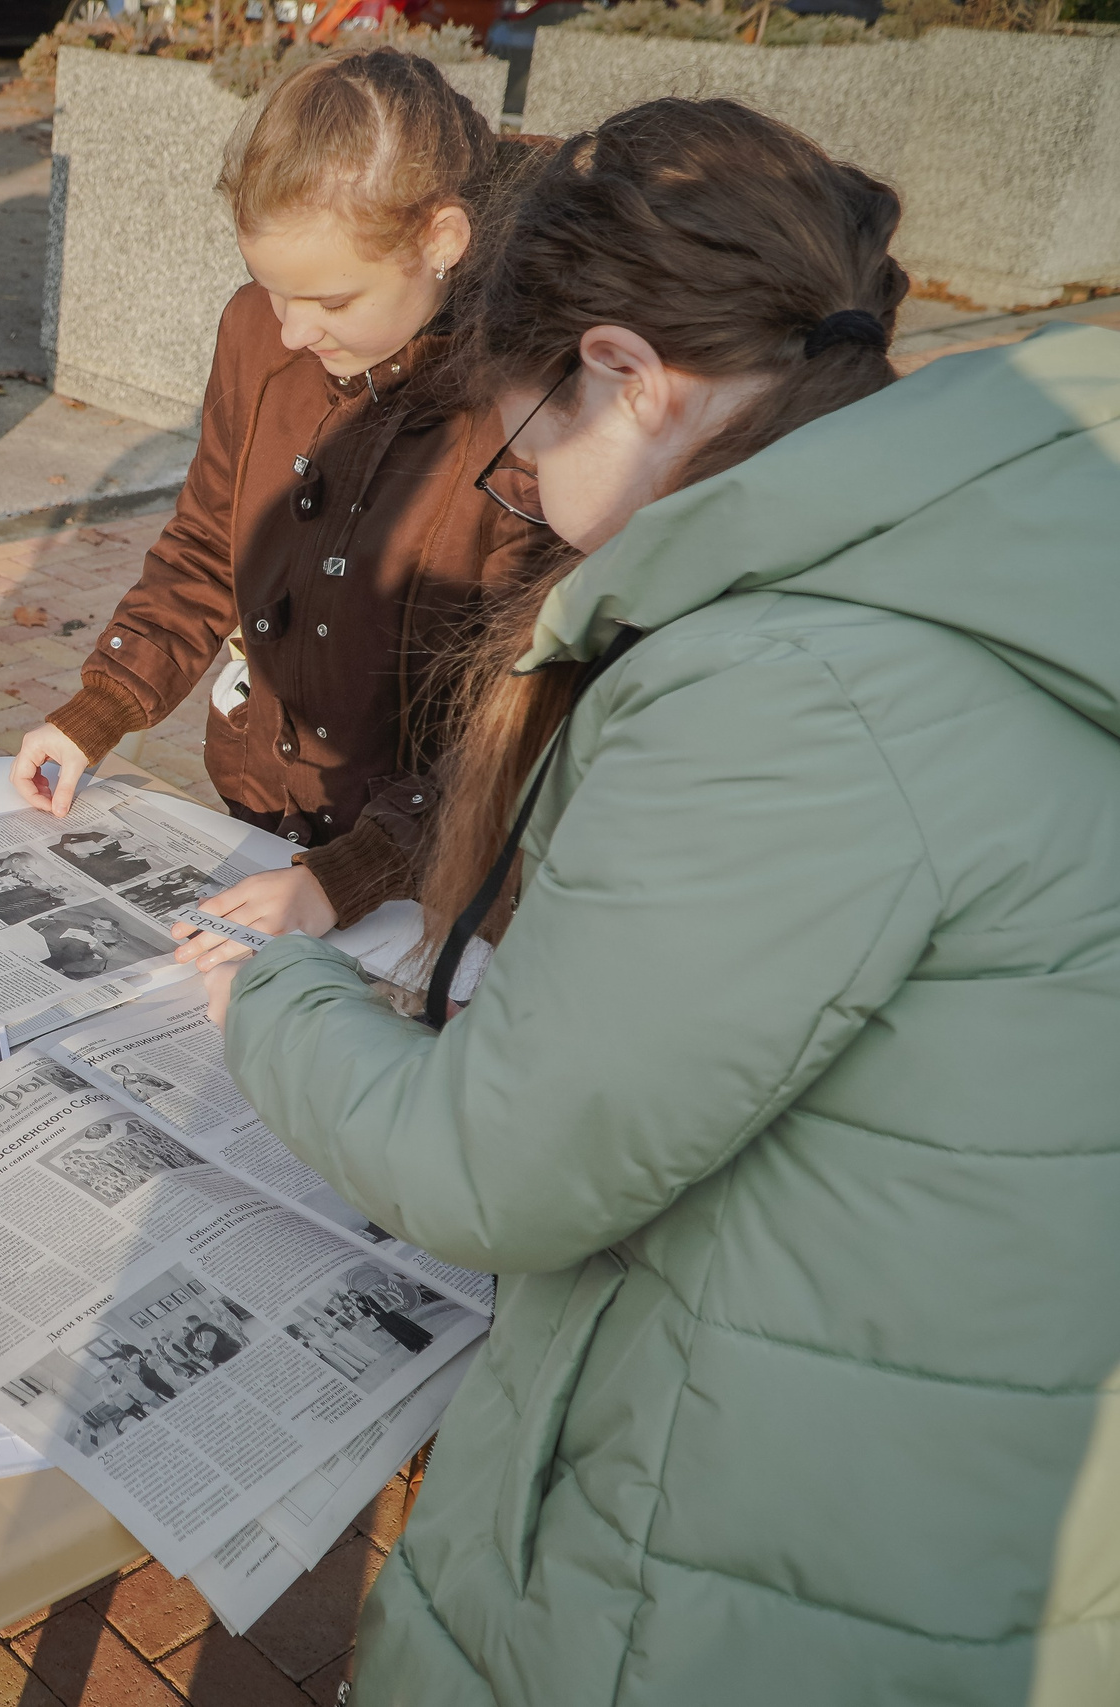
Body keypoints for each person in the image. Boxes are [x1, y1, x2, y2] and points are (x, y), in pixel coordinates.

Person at [209, 98, 1120, 1704]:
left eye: (527, 438)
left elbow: (493, 1166)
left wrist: (263, 998)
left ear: (628, 376)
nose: (532, 480)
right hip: (961, 1450)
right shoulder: (981, 542)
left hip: (772, 1544)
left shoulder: (791, 687)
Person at [8, 47, 550, 957]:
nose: (294, 330)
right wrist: (99, 708)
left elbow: (519, 722)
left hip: (438, 873)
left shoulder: (530, 402)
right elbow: (210, 541)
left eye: (331, 298)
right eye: (271, 288)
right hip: (266, 812)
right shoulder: (258, 333)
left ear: (441, 240)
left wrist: (350, 875)